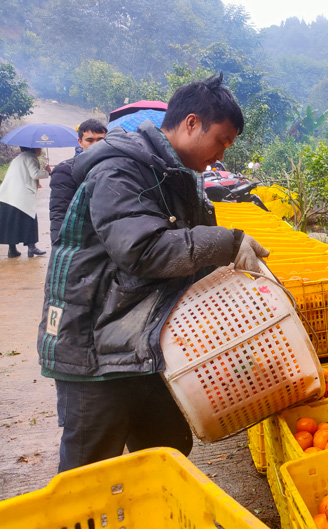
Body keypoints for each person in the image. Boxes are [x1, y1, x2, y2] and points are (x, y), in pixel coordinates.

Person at [37, 73, 270, 472]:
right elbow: (141, 249)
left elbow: (190, 260)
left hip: (139, 338)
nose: (221, 155)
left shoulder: (180, 177)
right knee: (89, 469)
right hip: (92, 342)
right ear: (192, 123)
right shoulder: (120, 170)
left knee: (167, 447)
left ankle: (150, 526)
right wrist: (227, 243)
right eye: (222, 141)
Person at [48, 118, 107, 244]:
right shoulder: (65, 170)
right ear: (80, 142)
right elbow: (59, 211)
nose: (95, 144)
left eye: (100, 140)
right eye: (90, 140)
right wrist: (58, 244)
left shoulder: (114, 167)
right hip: (79, 240)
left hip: (107, 240)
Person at [0, 146, 52, 258]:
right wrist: (47, 172)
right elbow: (35, 174)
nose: (40, 150)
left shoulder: (19, 158)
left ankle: (12, 250)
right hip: (21, 195)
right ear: (33, 149)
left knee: (12, 222)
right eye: (39, 148)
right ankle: (31, 248)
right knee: (30, 219)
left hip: (8, 195)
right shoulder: (31, 157)